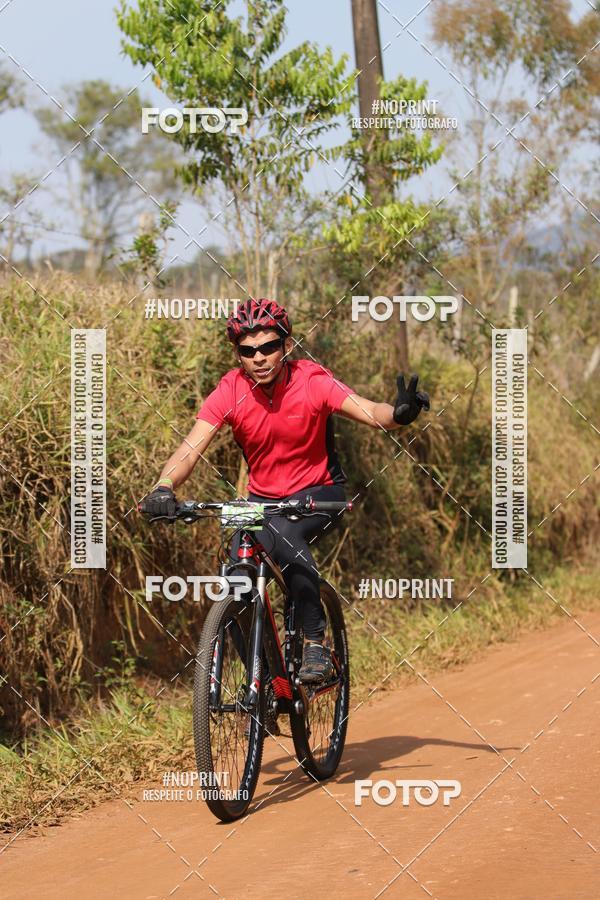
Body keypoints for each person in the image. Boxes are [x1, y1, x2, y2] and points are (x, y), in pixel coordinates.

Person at [143, 298, 429, 683]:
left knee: (287, 537)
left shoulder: (312, 381)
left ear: (286, 345)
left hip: (320, 493)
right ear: (238, 355)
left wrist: (398, 414)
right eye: (248, 351)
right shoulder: (230, 389)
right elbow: (190, 449)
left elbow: (370, 412)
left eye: (268, 347)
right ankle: (262, 684)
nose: (259, 358)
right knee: (237, 576)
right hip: (262, 502)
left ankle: (314, 644)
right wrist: (164, 487)